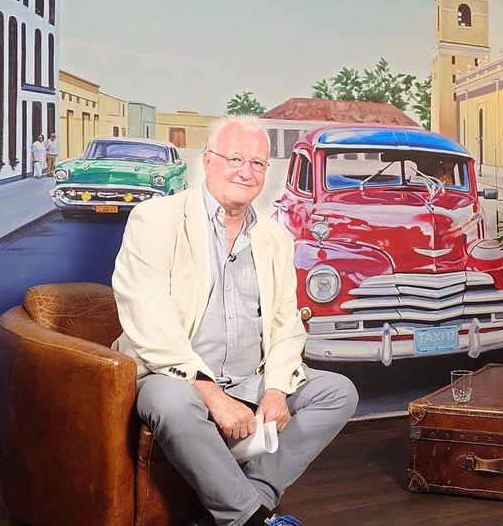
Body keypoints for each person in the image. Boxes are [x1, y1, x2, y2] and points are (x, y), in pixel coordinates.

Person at [112, 115, 358, 526]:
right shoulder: (155, 219)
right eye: (235, 158)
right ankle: (250, 519)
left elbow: (285, 323)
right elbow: (147, 315)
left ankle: (249, 502)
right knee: (171, 403)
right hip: (173, 377)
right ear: (207, 161)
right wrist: (212, 395)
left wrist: (277, 391)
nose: (246, 171)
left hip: (251, 377)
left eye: (258, 163)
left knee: (338, 392)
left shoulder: (275, 237)